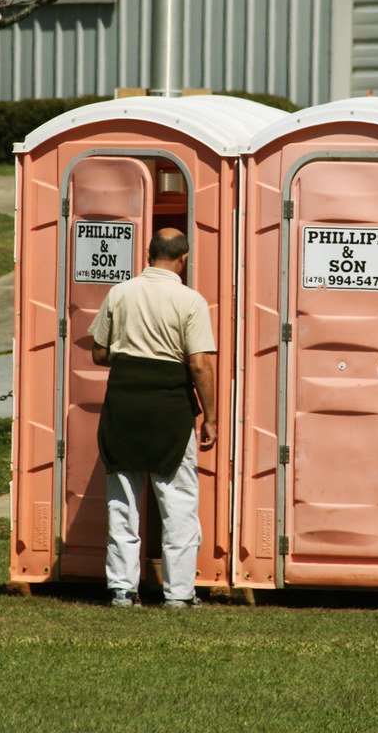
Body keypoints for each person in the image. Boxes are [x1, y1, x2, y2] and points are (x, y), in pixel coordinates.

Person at [89, 227, 217, 609]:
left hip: (124, 404)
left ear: (148, 253)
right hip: (169, 409)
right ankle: (179, 593)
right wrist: (210, 417)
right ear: (184, 258)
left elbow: (97, 353)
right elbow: (198, 364)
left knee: (123, 501)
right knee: (177, 503)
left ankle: (122, 590)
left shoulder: (119, 293)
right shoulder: (190, 300)